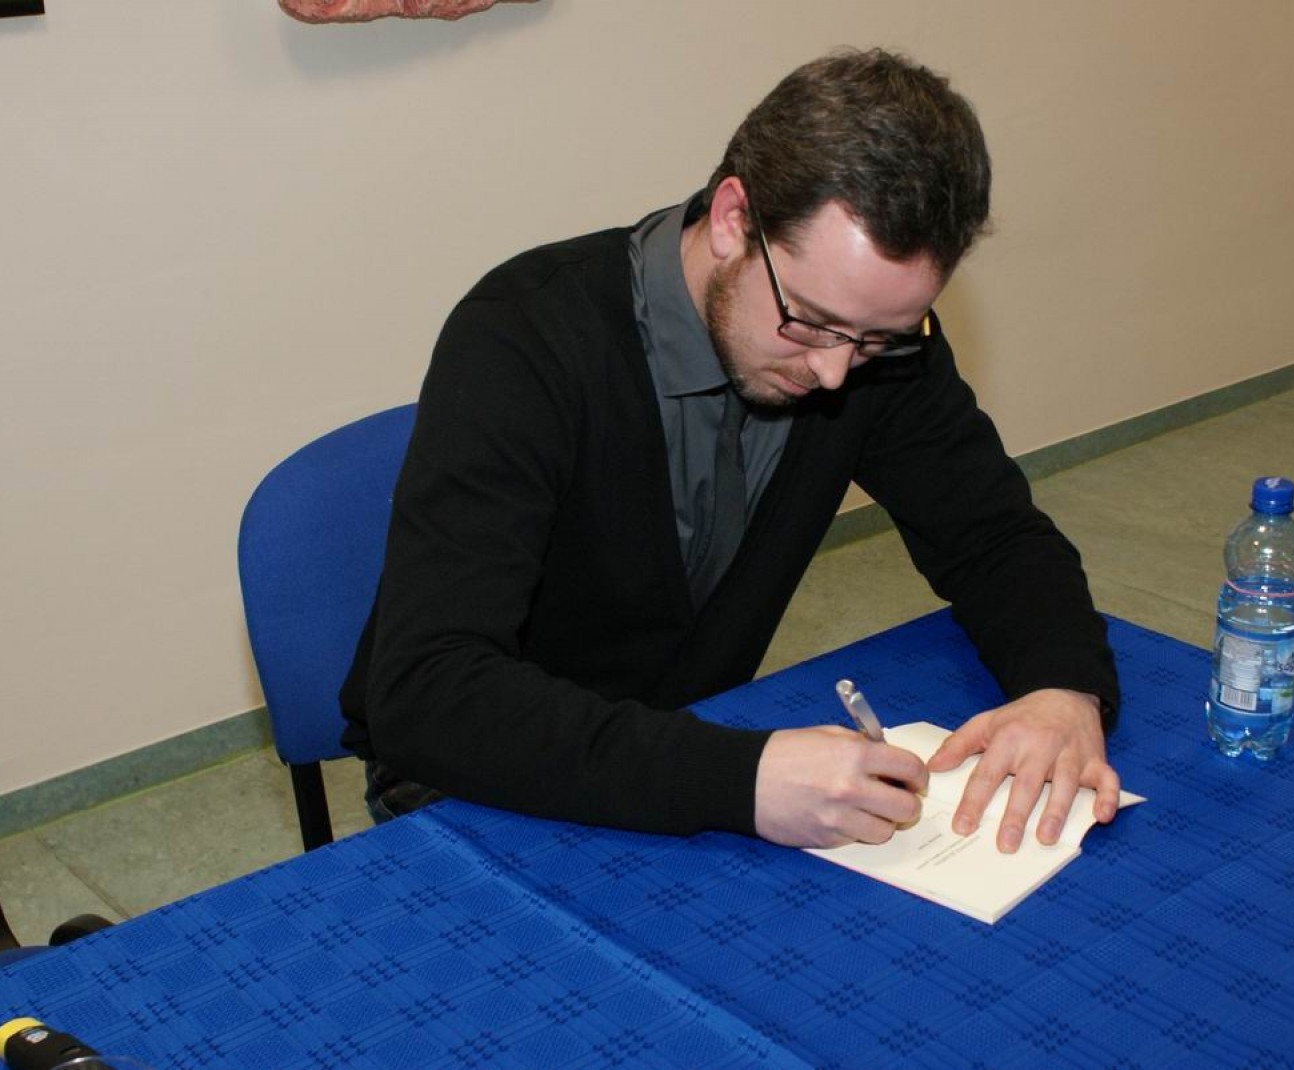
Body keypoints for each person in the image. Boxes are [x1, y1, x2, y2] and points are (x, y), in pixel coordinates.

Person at [339, 47, 1122, 853]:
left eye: (875, 338)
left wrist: (1063, 687)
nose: (833, 372)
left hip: (687, 755)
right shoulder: (524, 336)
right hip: (472, 780)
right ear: (732, 219)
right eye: (809, 321)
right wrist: (739, 780)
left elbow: (992, 536)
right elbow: (426, 691)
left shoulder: (873, 343)